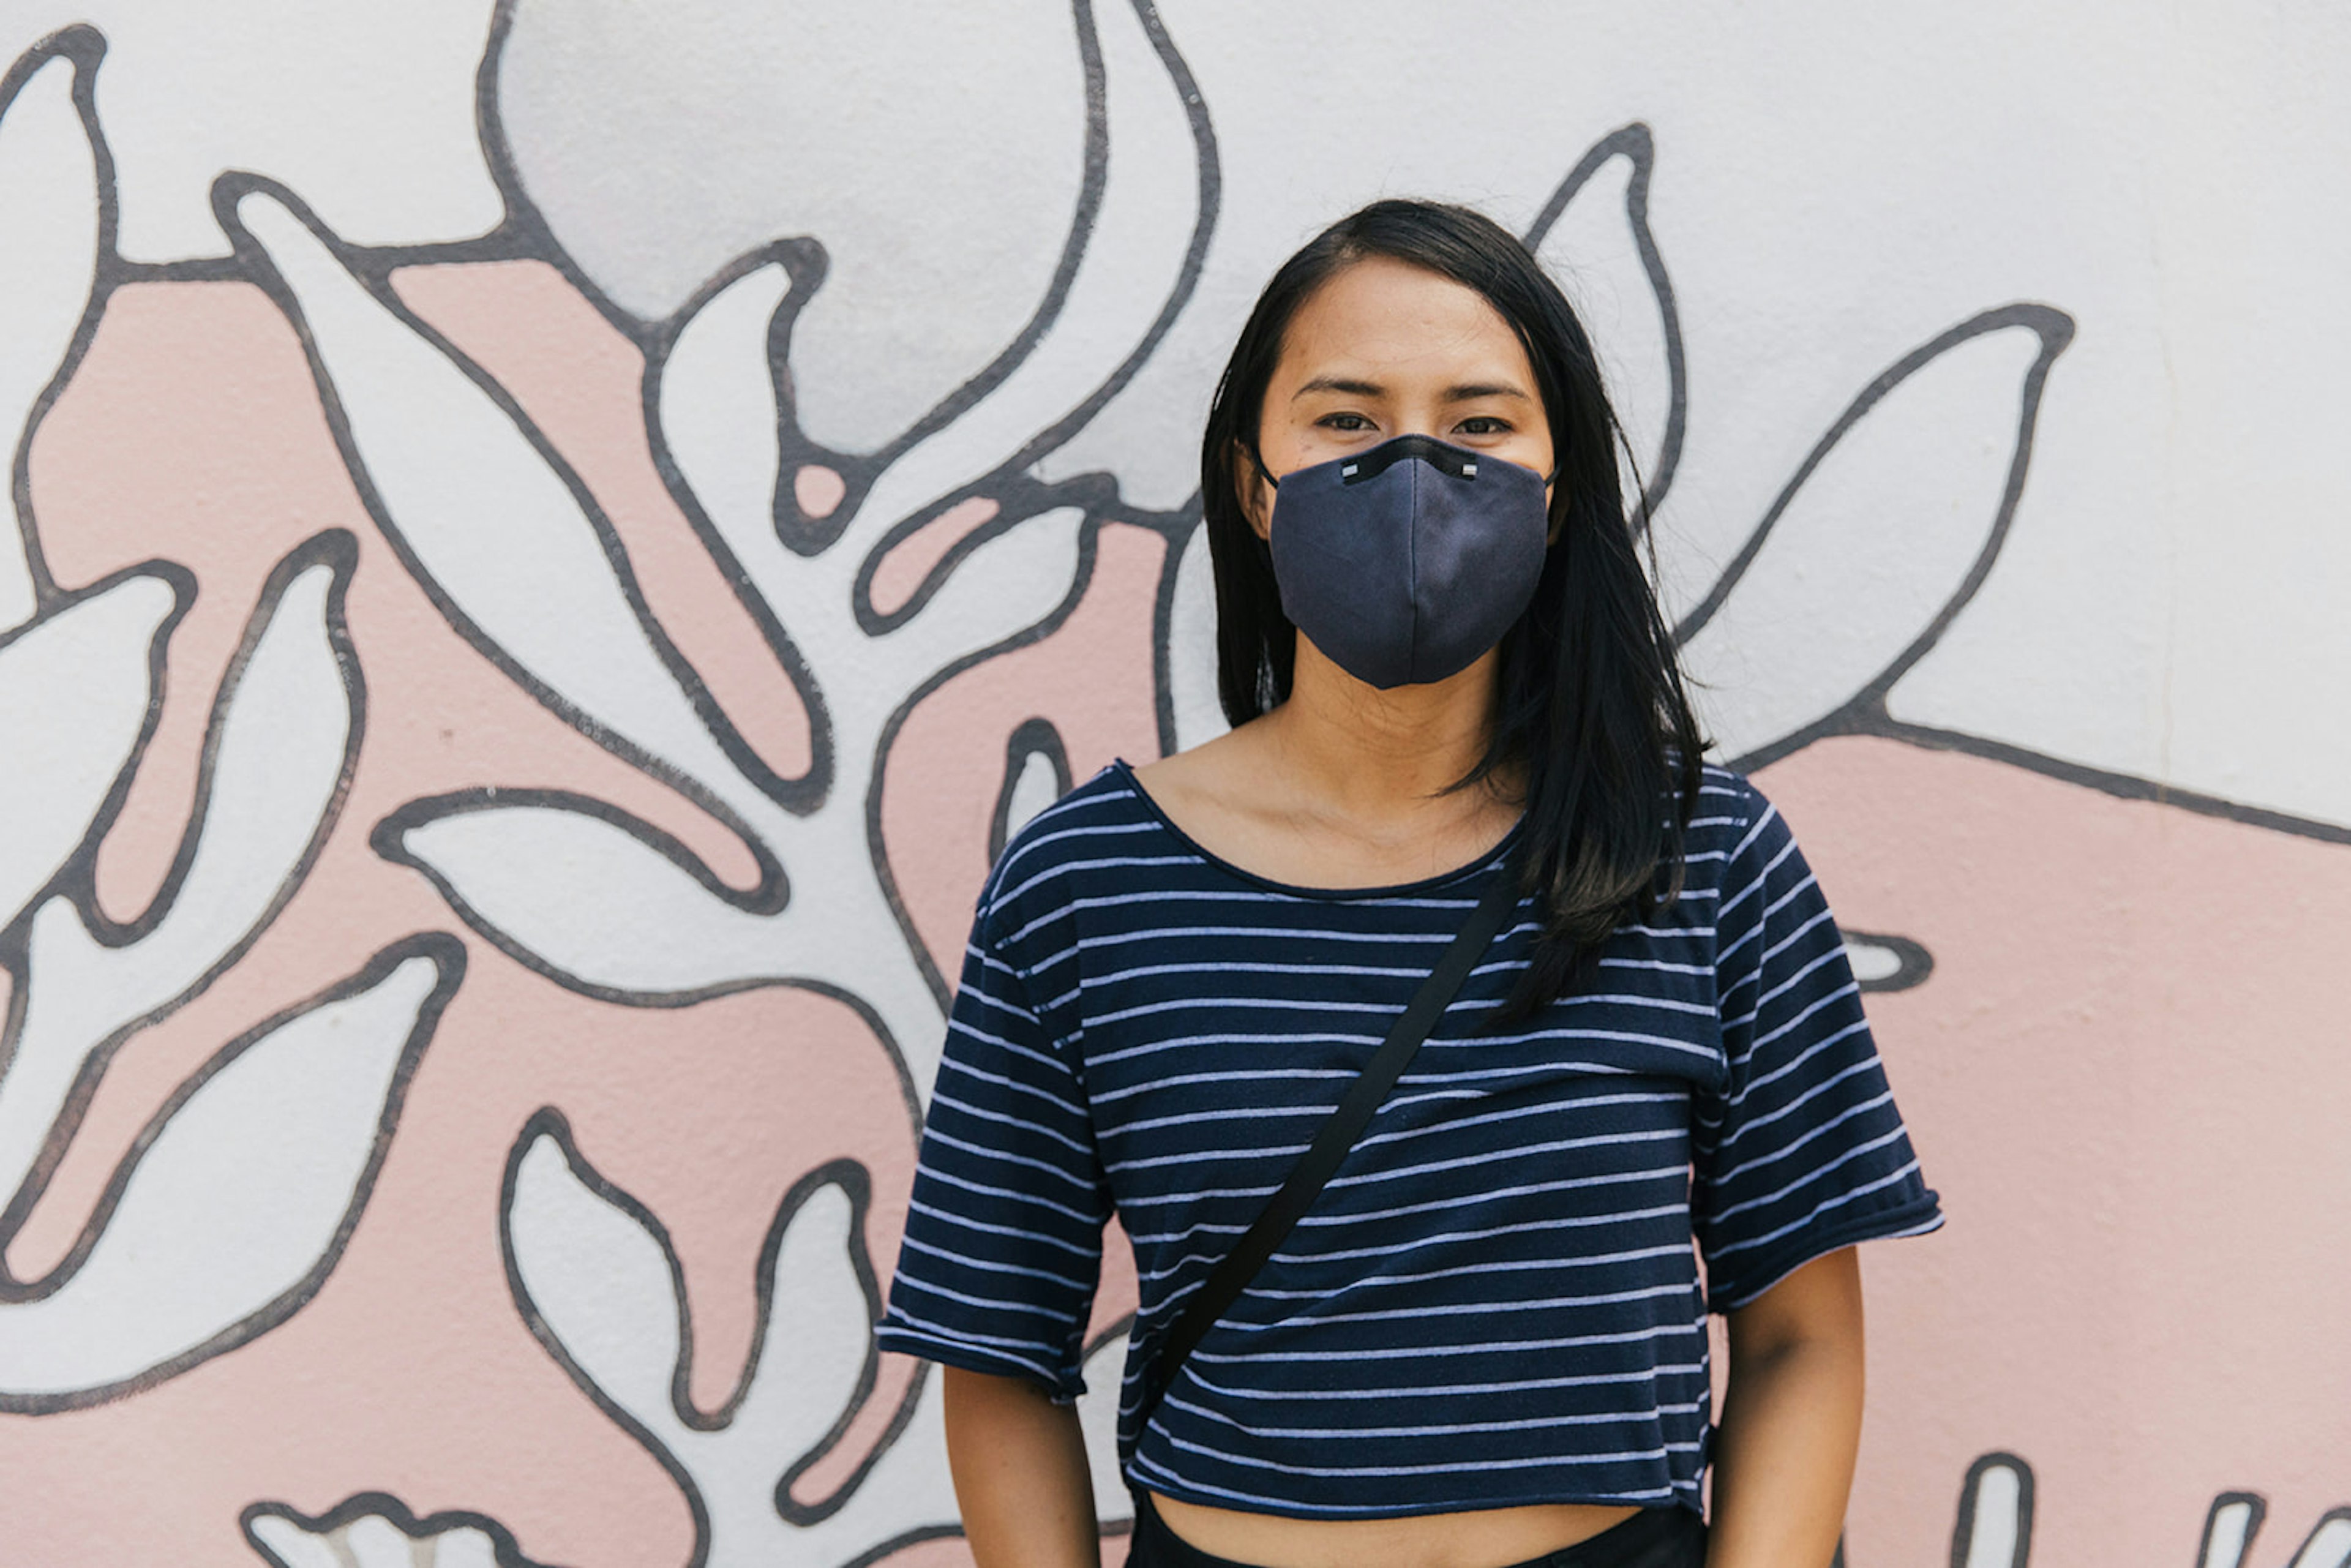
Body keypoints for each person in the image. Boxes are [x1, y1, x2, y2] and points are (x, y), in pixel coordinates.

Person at [875, 198, 1941, 1568]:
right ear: (1256, 483)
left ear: (1560, 495)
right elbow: (998, 1349)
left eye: (1482, 422)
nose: (1418, 468)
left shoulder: (1706, 858)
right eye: (1348, 419)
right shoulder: (1084, 884)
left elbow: (1801, 1341)